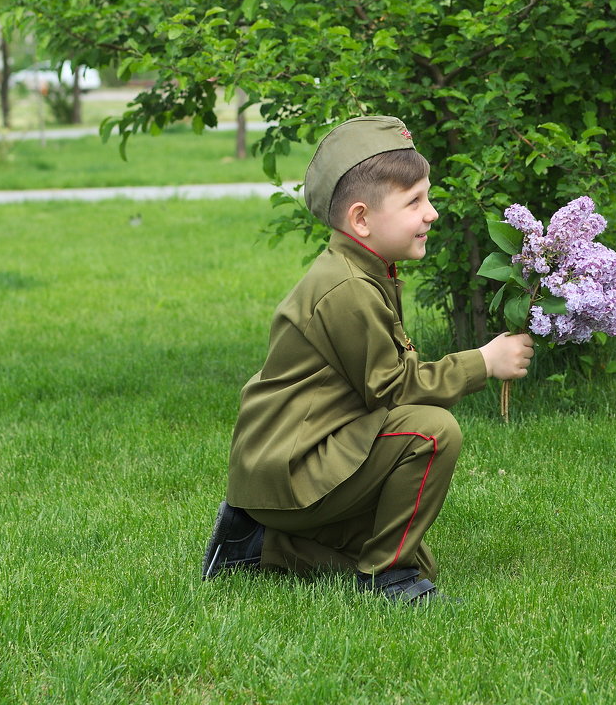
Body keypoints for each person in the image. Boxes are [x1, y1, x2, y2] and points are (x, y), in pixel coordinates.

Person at [200, 115, 535, 604]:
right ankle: (387, 578)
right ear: (361, 219)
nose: (432, 213)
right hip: (291, 467)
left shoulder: (363, 269)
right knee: (431, 432)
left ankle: (258, 544)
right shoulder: (348, 287)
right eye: (415, 201)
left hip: (292, 462)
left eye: (428, 198)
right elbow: (395, 389)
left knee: (420, 555)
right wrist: (483, 361)